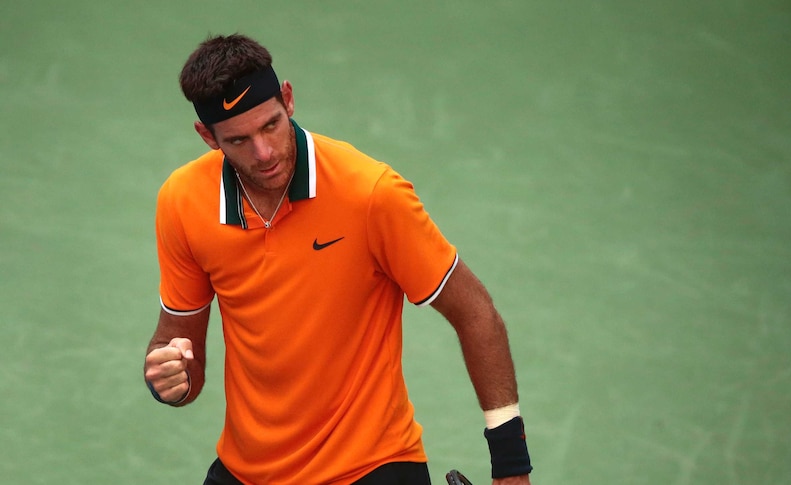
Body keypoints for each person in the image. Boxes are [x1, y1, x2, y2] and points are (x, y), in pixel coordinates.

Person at [143, 33, 533, 485]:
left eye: (270, 125)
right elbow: (179, 353)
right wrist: (169, 376)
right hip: (248, 471)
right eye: (239, 140)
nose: (264, 152)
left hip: (371, 466)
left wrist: (511, 468)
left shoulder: (371, 194)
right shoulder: (182, 201)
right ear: (207, 136)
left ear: (287, 99)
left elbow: (476, 314)